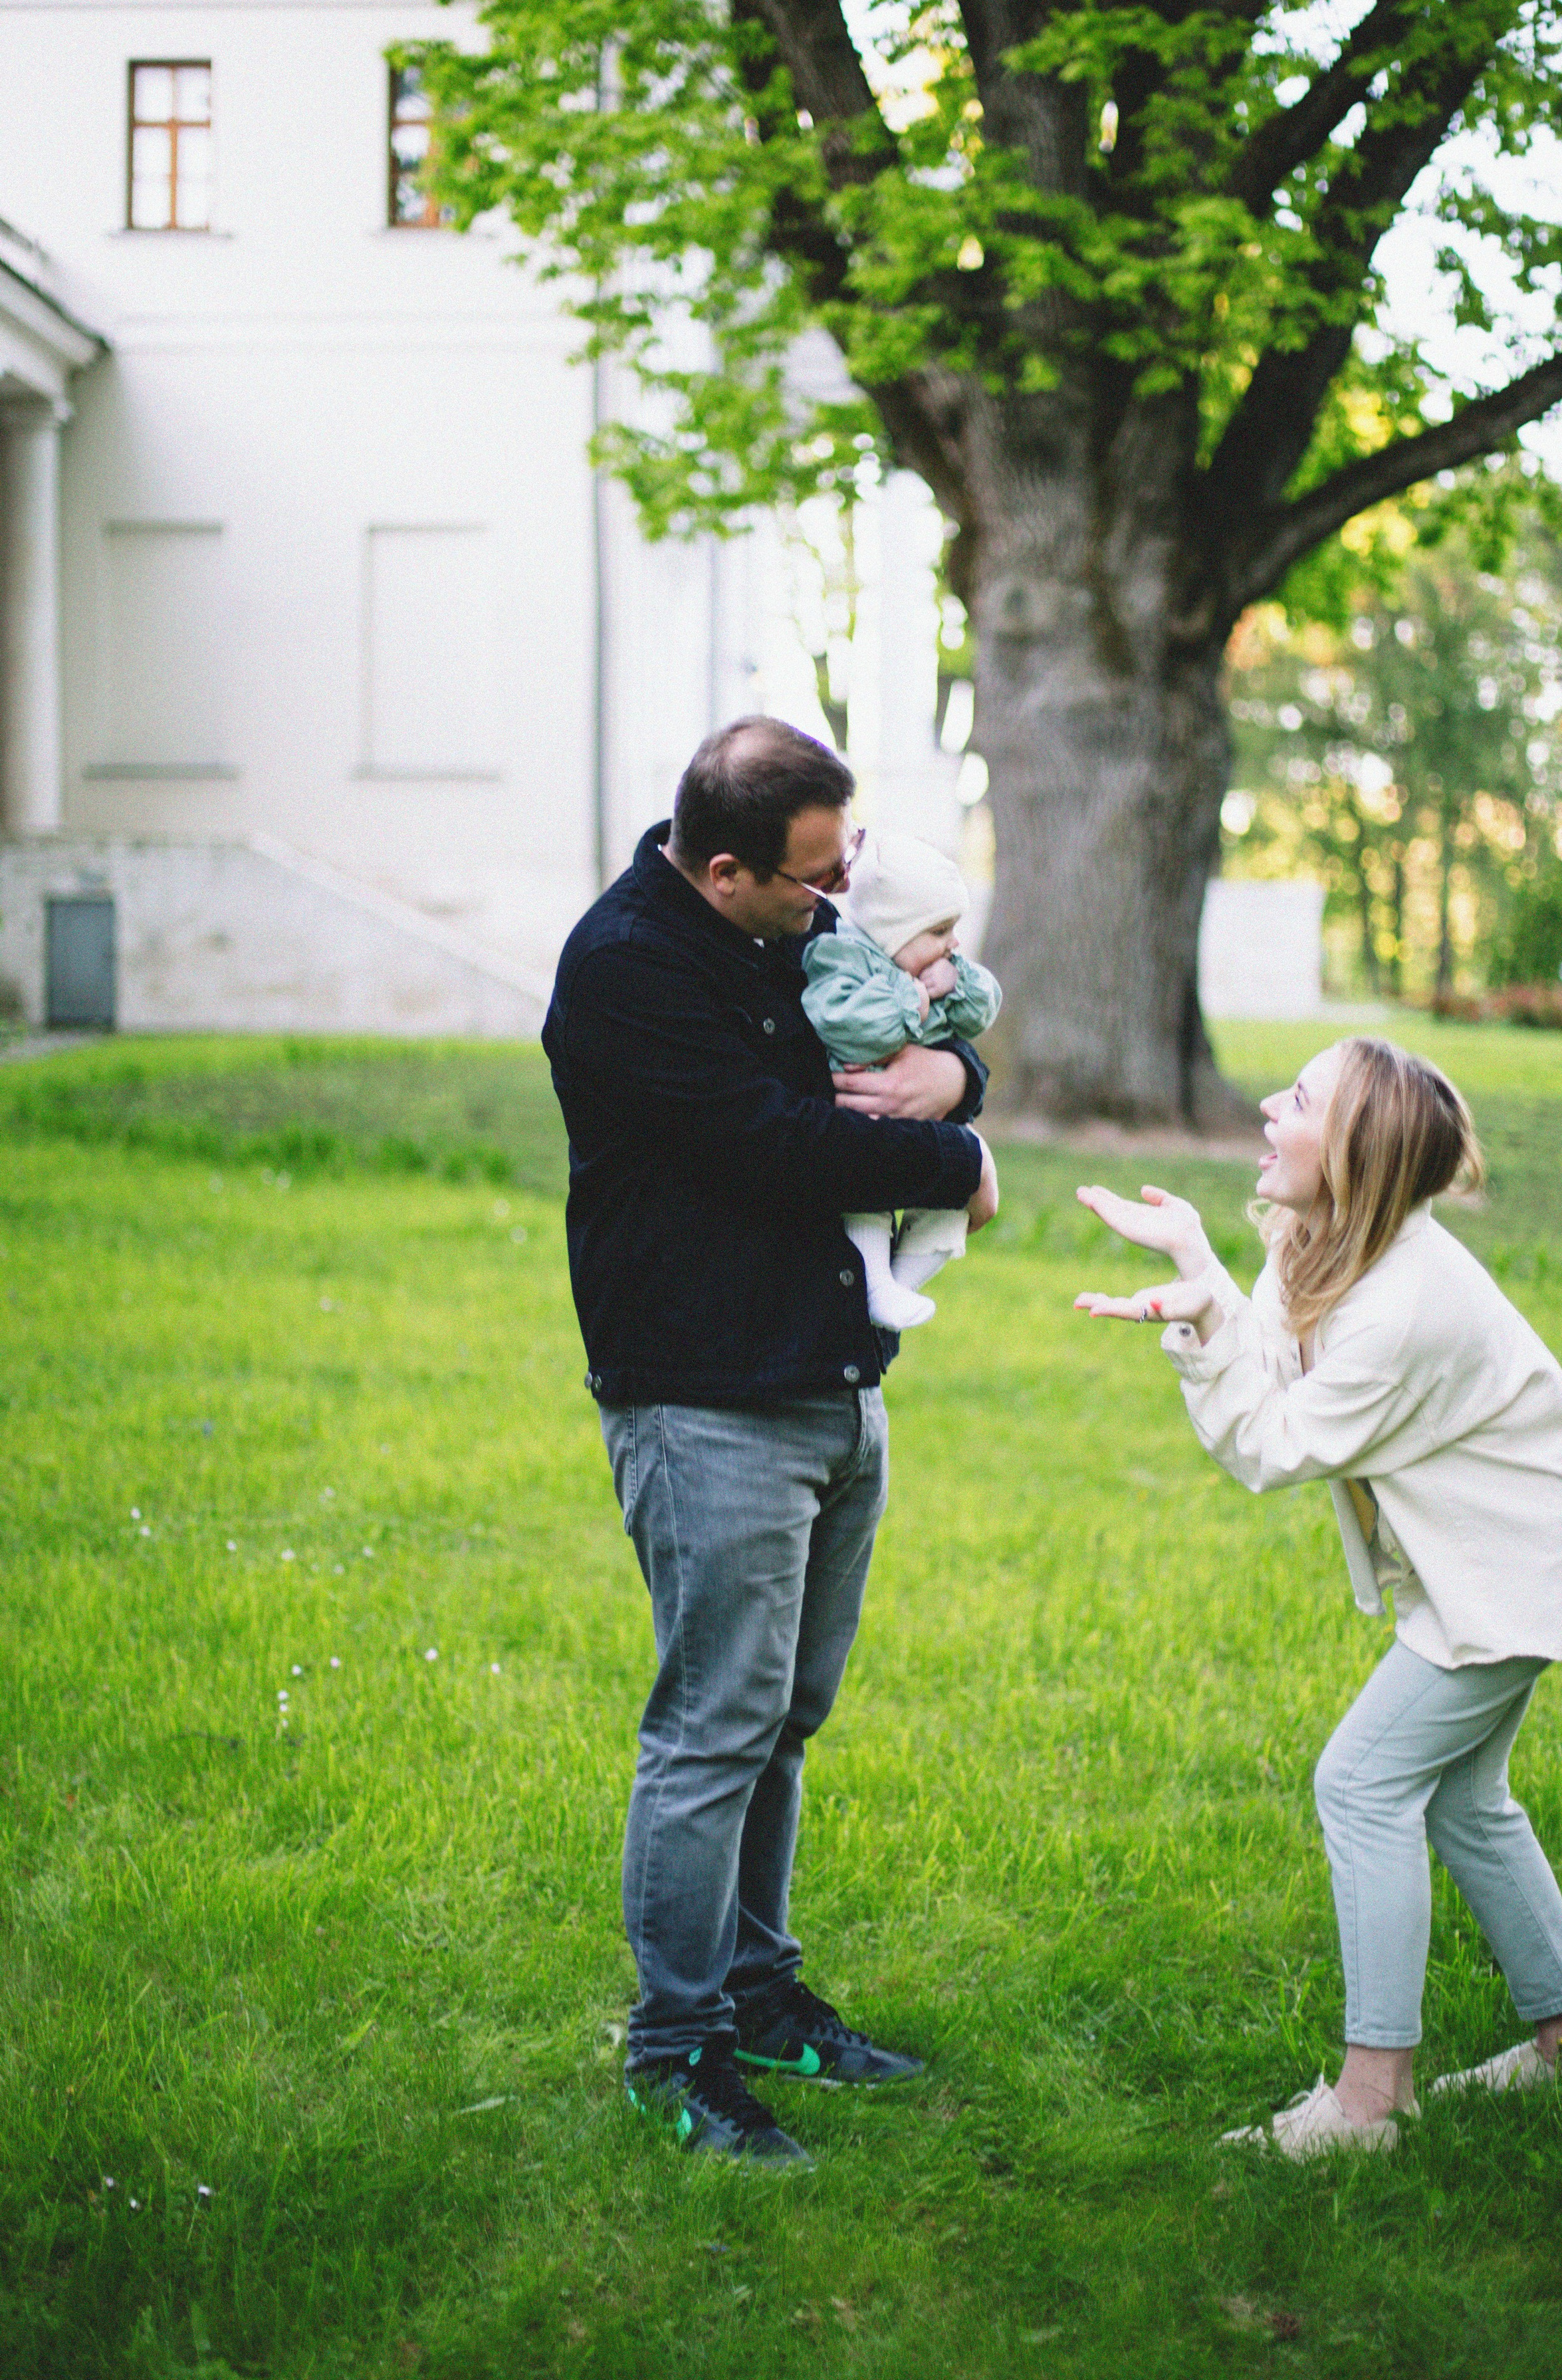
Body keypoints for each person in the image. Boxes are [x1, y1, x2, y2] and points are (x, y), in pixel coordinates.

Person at [541, 717, 998, 2168]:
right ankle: (675, 2049)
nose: (837, 896)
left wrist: (960, 1089)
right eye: (814, 880)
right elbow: (777, 1144)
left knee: (783, 1721)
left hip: (830, 1376)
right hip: (706, 1396)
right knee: (711, 1731)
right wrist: (964, 1158)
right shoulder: (624, 971)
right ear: (724, 867)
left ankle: (758, 1992)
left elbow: (904, 1038)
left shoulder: (783, 932)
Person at [1075, 1036, 1562, 2160]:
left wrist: (1200, 1326)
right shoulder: (1325, 1241)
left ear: (1355, 1151)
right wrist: (1200, 1277)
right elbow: (1270, 1363)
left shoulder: (1403, 1304)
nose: (1270, 1107)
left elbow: (1272, 1446)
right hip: (1487, 1554)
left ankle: (1373, 2101)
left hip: (1515, 1563)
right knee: (1465, 1801)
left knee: (1361, 1783)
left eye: (1301, 1101)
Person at [802, 830, 1002, 1330]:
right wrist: (906, 1001)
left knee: (950, 1202)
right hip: (863, 1116)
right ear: (893, 934)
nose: (953, 943)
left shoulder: (939, 966)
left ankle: (898, 1285)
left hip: (927, 1121)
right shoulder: (840, 957)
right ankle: (875, 1285)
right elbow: (842, 1020)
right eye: (939, 932)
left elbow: (982, 1013)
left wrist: (961, 985)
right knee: (868, 1198)